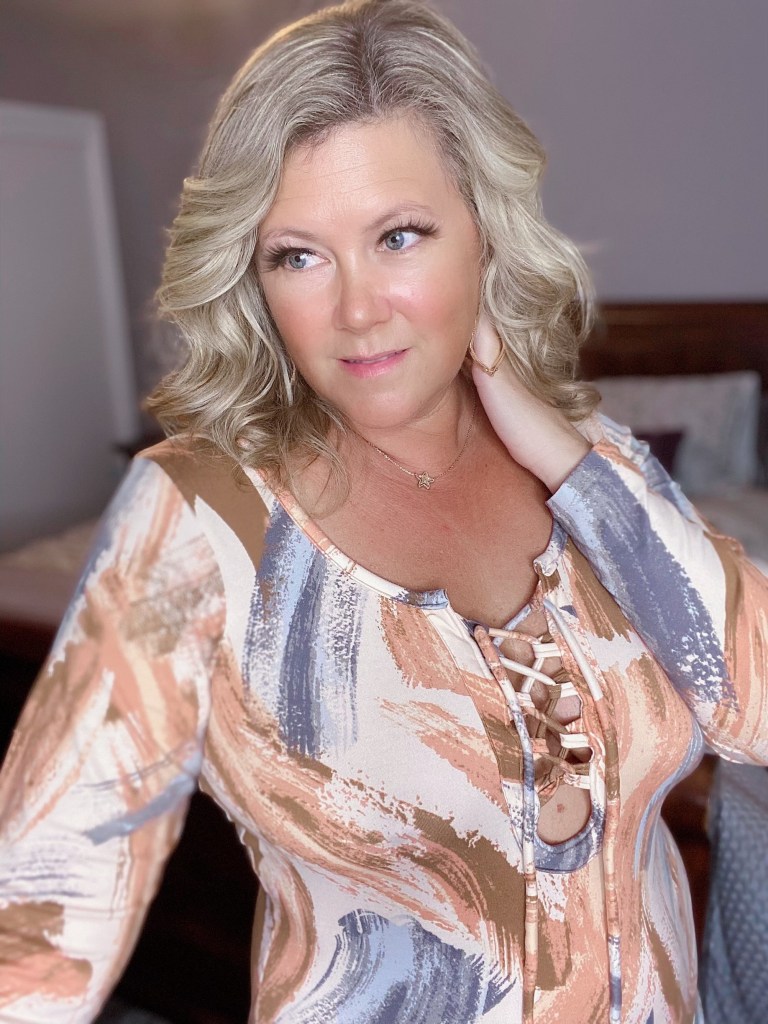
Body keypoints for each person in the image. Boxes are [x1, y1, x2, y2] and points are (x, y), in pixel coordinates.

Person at [1, 1, 766, 1021]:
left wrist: (566, 455)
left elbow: (755, 702)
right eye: (298, 255)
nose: (357, 311)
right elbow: (35, 940)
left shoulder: (595, 463)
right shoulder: (197, 516)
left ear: (484, 233)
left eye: (398, 236)